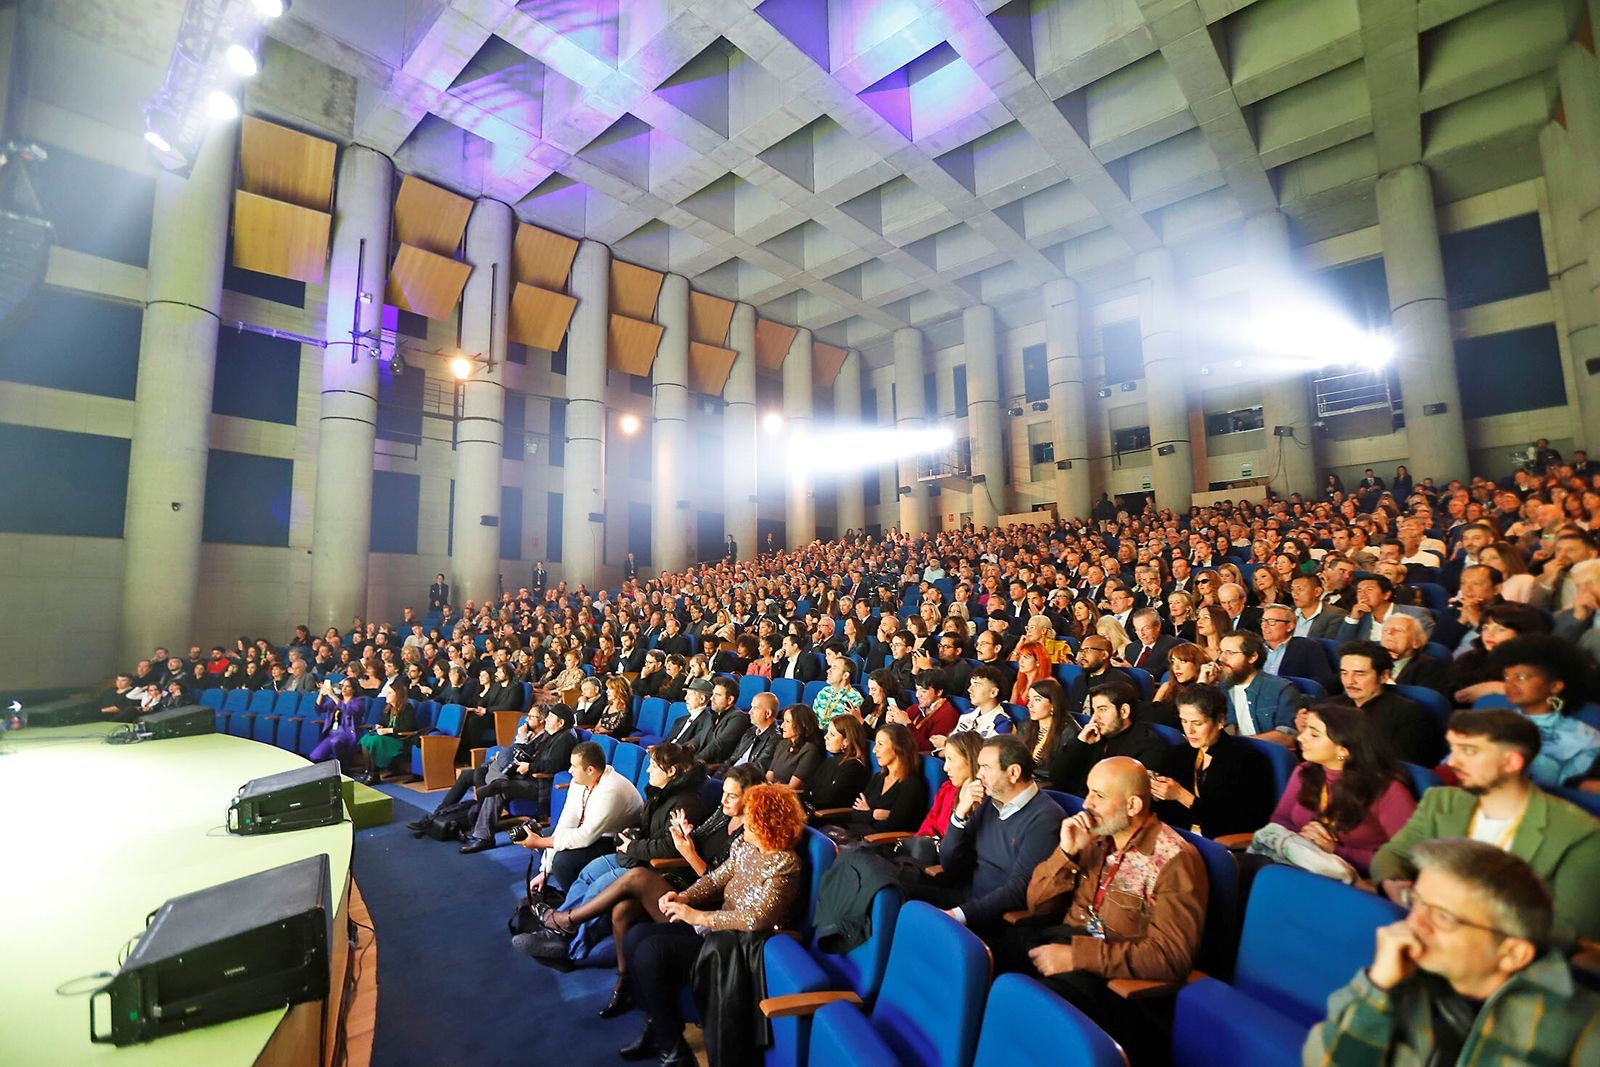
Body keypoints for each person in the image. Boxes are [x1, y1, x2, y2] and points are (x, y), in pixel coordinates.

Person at [1304, 839, 1600, 1065]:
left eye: (1443, 916)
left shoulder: (1581, 1031)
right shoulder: (1395, 977)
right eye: (1415, 901)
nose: (1413, 923)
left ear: (1513, 954)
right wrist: (1376, 986)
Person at [994, 756, 1207, 1065]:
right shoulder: (1095, 837)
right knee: (984, 962)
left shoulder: (1175, 861)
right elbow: (1036, 905)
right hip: (1064, 943)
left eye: (1099, 796)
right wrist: (1066, 853)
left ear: (1133, 806)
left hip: (1114, 985)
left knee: (1022, 1011)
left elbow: (1169, 957)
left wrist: (1076, 957)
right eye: (1089, 792)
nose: (1086, 804)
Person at [1372, 708, 1600, 946]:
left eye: (1469, 751)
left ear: (1511, 761)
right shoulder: (1440, 802)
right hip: (1428, 932)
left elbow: (1572, 931)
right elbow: (1393, 853)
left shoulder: (1579, 834)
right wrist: (1394, 885)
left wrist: (1461, 919)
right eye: (1453, 749)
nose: (1452, 762)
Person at [617, 785, 806, 1067]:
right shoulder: (745, 846)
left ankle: (672, 1048)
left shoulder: (785, 864)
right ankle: (659, 1028)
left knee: (650, 953)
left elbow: (758, 918)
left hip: (740, 947)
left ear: (767, 823)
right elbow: (716, 879)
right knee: (635, 937)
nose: (744, 820)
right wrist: (684, 896)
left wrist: (698, 917)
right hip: (718, 929)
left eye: (750, 816)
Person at [1248, 702, 1416, 883]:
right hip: (1301, 868)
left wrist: (1335, 849)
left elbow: (1406, 858)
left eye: (1314, 734)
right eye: (1305, 731)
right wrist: (1304, 835)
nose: (1301, 738)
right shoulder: (1305, 772)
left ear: (1342, 750)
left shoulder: (1387, 790)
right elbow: (1280, 821)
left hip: (1359, 885)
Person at [930, 735, 1064, 931]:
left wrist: (958, 914)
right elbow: (950, 864)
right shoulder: (990, 802)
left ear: (1013, 773)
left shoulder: (1046, 819)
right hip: (967, 896)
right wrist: (959, 814)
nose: (978, 775)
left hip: (998, 920)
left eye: (986, 767)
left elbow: (1018, 891)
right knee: (901, 892)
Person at [515, 741, 644, 896]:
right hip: (595, 833)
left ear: (590, 770)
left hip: (618, 841)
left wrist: (540, 842)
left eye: (574, 766)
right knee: (548, 837)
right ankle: (574, 895)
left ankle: (579, 905)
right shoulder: (580, 781)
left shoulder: (612, 791)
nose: (569, 770)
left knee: (563, 862)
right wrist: (545, 871)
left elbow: (585, 837)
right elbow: (566, 821)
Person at [1152, 684, 1280, 838]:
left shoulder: (1247, 760)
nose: (1189, 730)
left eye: (1197, 723)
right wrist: (1155, 791)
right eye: (1184, 721)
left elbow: (1237, 820)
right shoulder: (1181, 753)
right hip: (1179, 836)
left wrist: (1182, 795)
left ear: (1220, 721)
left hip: (1220, 844)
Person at [460, 704, 581, 850]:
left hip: (541, 784)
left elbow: (554, 765)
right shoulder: (551, 733)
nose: (546, 721)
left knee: (497, 789)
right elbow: (531, 751)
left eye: (550, 718)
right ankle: (482, 831)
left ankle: (483, 836)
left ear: (560, 723)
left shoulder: (566, 738)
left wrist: (530, 767)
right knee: (497, 778)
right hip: (528, 777)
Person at [1489, 634, 1600, 788]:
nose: (1510, 684)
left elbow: (1563, 789)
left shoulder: (1586, 740)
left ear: (1555, 686)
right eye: (1507, 676)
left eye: (1521, 677)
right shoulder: (1491, 721)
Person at [1049, 676, 1172, 798]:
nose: (1095, 717)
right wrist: (1079, 742)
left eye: (1102, 709)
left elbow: (1120, 798)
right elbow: (1056, 776)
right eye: (1094, 710)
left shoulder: (1150, 747)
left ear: (1124, 711)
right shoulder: (1092, 735)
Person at [1338, 641, 1442, 766]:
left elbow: (1397, 767)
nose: (1349, 681)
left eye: (1360, 674)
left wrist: (1337, 759)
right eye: (1344, 673)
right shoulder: (1332, 705)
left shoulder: (1408, 715)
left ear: (1384, 676)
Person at [1214, 630, 1302, 745]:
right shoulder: (1222, 689)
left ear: (1252, 657)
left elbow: (1287, 736)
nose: (1221, 658)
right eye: (1221, 652)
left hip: (1266, 755)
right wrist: (1202, 683)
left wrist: (1240, 744)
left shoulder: (1282, 689)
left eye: (1230, 653)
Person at [845, 723, 929, 833]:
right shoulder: (878, 778)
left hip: (880, 845)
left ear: (898, 747)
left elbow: (892, 826)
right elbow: (855, 814)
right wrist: (874, 814)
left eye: (880, 744)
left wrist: (867, 813)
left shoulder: (912, 786)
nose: (874, 750)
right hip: (858, 838)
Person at [914, 731, 985, 838]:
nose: (945, 768)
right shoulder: (947, 789)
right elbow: (927, 826)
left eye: (951, 760)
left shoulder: (987, 800)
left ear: (970, 760)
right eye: (946, 760)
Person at [1258, 603, 1335, 692]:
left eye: (1271, 621)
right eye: (1263, 620)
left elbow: (1323, 681)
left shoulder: (1308, 647)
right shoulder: (1255, 648)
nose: (1264, 626)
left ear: (1290, 626)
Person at [806, 715, 871, 811]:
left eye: (832, 734)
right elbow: (808, 788)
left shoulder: (854, 767)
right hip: (809, 810)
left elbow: (828, 799)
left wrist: (813, 794)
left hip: (826, 818)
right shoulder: (830, 761)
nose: (825, 737)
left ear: (846, 741)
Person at [356, 685, 415, 784]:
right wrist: (380, 727)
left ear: (398, 695)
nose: (386, 695)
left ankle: (374, 774)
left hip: (400, 740)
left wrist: (388, 730)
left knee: (375, 740)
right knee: (366, 739)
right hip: (387, 739)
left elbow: (409, 727)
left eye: (390, 693)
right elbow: (384, 724)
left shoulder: (407, 708)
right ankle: (368, 771)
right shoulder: (388, 708)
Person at [1021, 676, 1073, 778]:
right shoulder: (1025, 725)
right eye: (1029, 699)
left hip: (1049, 787)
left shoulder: (1069, 733)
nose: (1029, 705)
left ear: (1053, 704)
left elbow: (1062, 775)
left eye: (1037, 700)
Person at [767, 704, 825, 790]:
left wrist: (771, 788)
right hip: (772, 792)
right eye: (783, 721)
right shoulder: (783, 744)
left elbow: (793, 787)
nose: (782, 726)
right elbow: (769, 775)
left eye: (787, 722)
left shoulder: (810, 750)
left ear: (802, 724)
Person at [308, 677, 363, 766]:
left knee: (336, 742)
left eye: (347, 687)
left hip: (347, 733)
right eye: (343, 686)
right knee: (314, 757)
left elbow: (348, 711)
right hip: (333, 733)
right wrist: (321, 694)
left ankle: (344, 766)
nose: (343, 689)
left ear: (353, 690)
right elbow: (319, 710)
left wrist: (332, 695)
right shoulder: (336, 700)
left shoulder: (359, 702)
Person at [724, 692, 781, 773]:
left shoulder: (774, 739)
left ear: (768, 713)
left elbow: (756, 770)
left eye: (755, 708)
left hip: (743, 780)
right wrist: (719, 775)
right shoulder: (751, 731)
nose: (750, 712)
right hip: (731, 775)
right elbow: (733, 758)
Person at [810, 656, 864, 726]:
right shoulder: (825, 691)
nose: (828, 671)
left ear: (845, 675)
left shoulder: (855, 700)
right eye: (830, 667)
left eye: (834, 667)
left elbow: (848, 729)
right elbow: (812, 718)